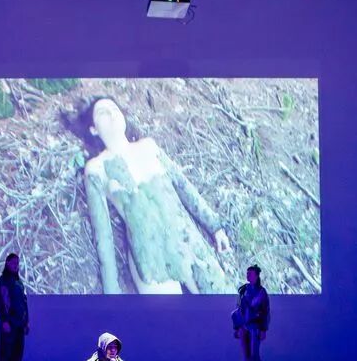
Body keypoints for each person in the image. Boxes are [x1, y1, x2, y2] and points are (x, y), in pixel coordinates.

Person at [66, 97, 234, 294]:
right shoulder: (96, 169)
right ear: (94, 129)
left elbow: (183, 186)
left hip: (188, 241)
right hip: (149, 256)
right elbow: (103, 235)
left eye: (114, 108)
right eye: (103, 112)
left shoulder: (149, 147)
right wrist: (112, 291)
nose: (111, 113)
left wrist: (215, 226)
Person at [232, 265, 270, 361]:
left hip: (255, 327)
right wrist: (237, 327)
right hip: (243, 326)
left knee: (255, 355)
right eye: (247, 273)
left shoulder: (261, 292)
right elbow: (238, 308)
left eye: (250, 274)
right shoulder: (243, 290)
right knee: (246, 355)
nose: (248, 275)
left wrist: (263, 329)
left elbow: (265, 311)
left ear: (257, 276)